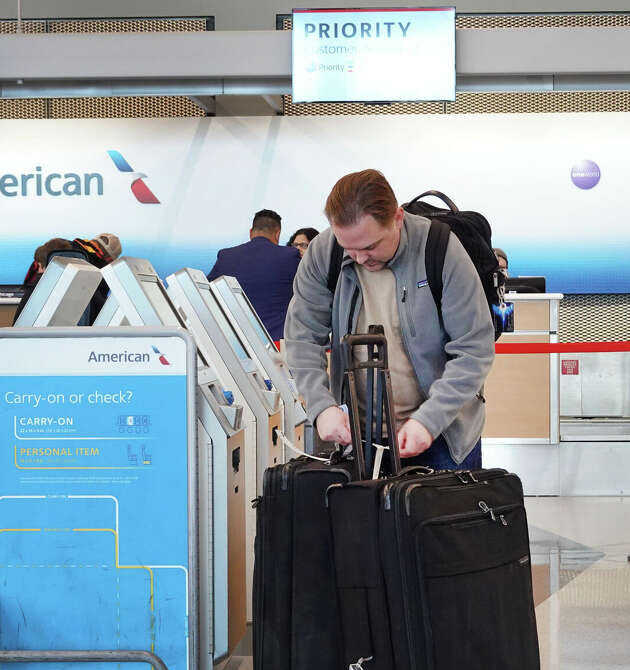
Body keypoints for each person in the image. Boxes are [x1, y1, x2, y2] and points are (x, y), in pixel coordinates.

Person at [283, 169, 494, 470]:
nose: (359, 258)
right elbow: (302, 338)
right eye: (349, 248)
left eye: (370, 246)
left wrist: (428, 421)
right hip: (356, 440)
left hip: (442, 438)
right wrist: (321, 406)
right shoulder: (323, 253)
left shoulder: (441, 249)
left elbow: (474, 350)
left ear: (397, 218)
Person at [208, 210, 301, 341]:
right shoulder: (290, 256)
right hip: (277, 346)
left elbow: (207, 294)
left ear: (251, 232)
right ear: (277, 234)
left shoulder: (226, 256)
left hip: (237, 344)